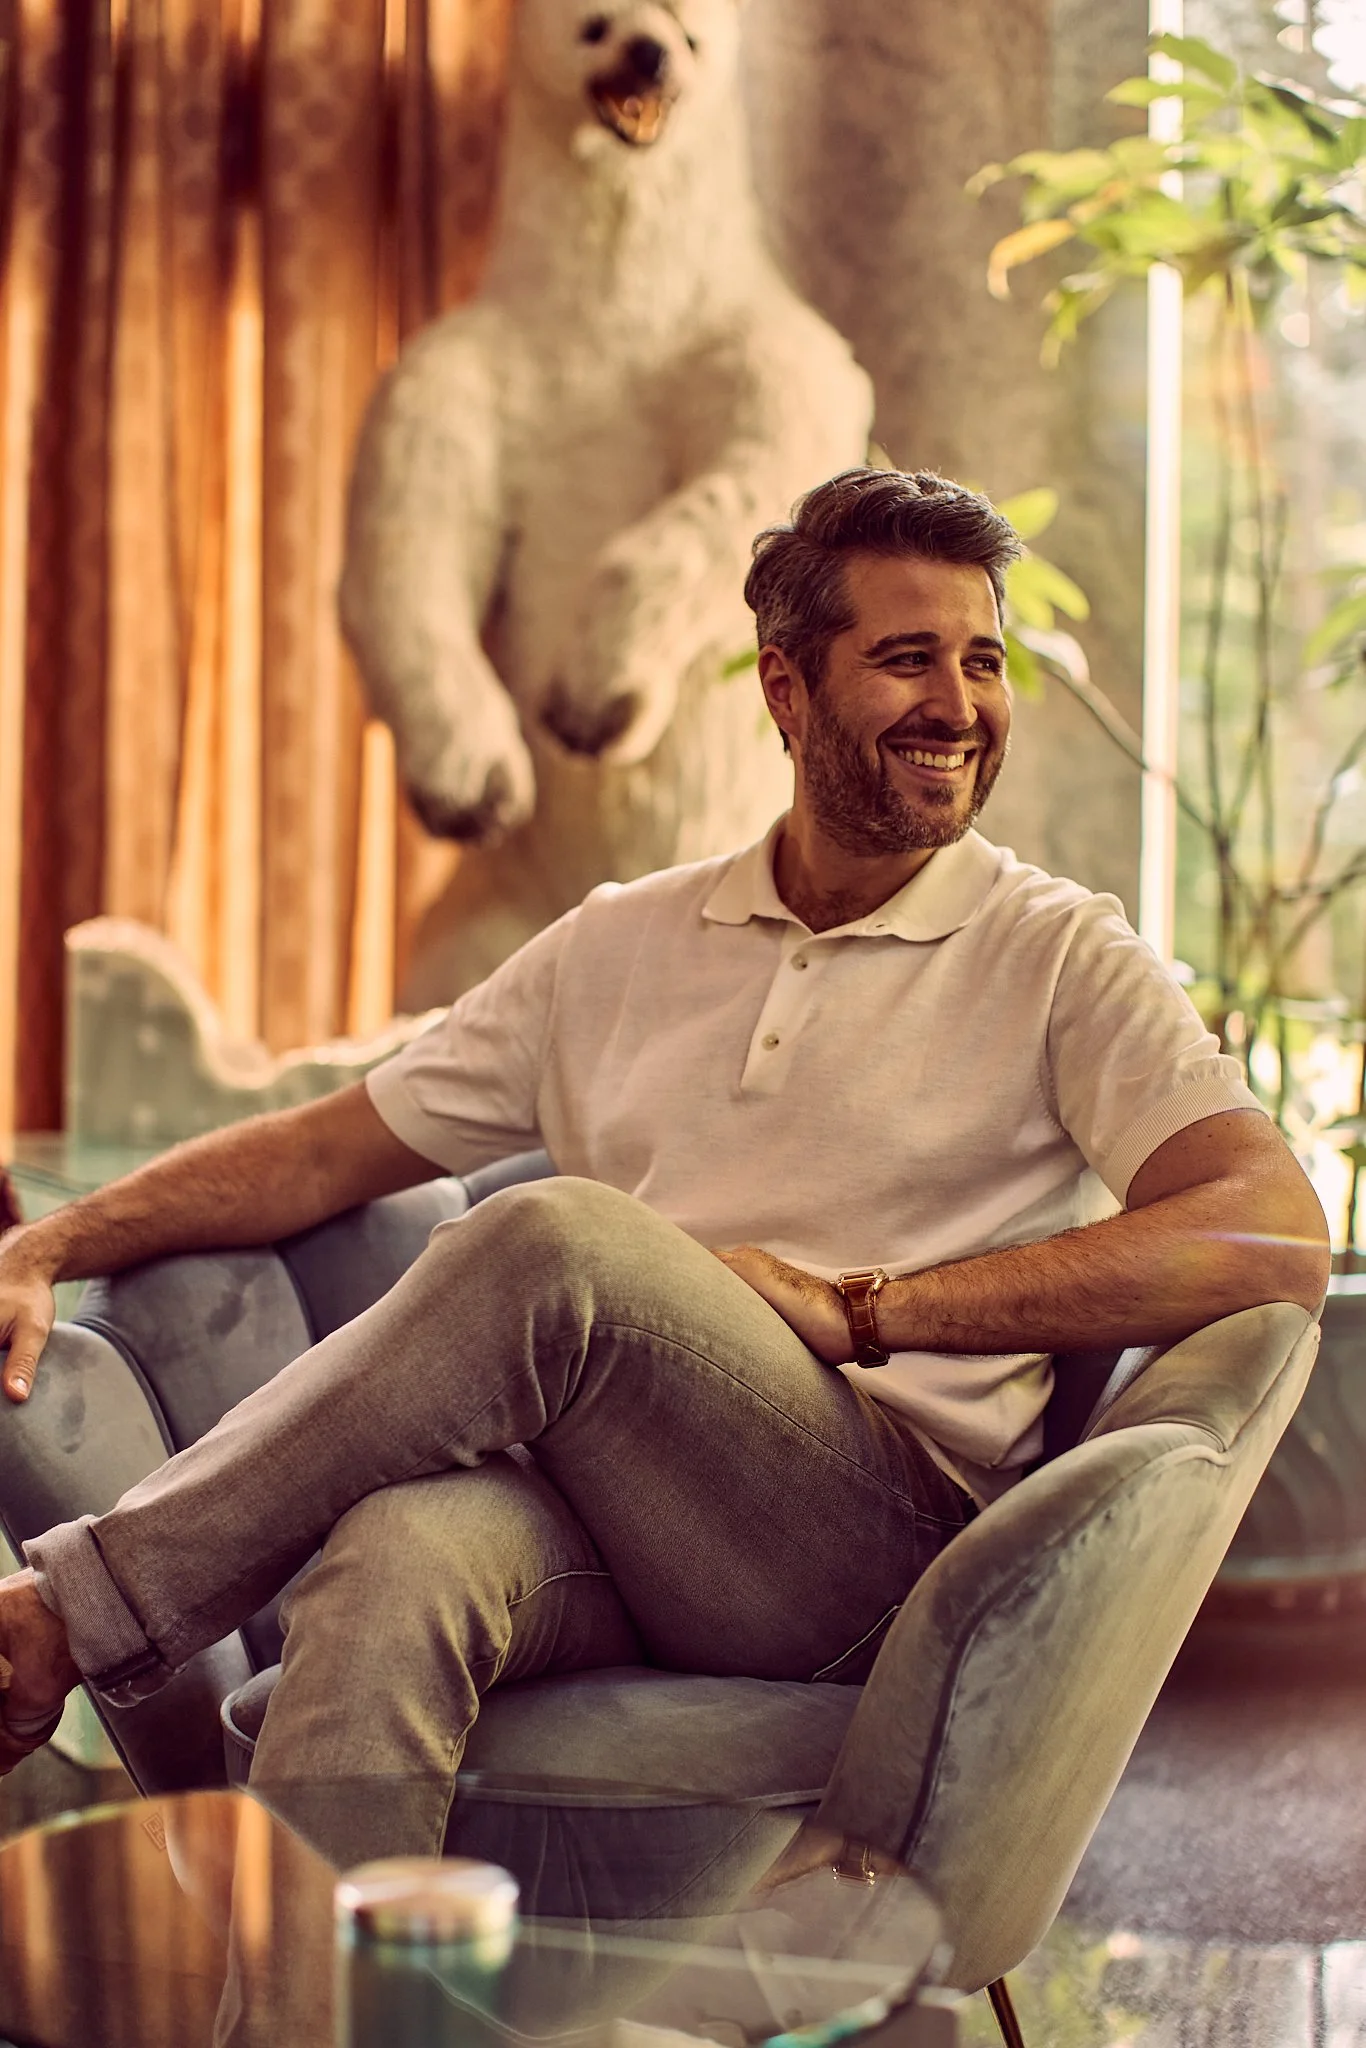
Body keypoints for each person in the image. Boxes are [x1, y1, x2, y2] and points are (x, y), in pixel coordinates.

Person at [0, 469, 1328, 1860]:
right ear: (786, 691)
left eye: (981, 661)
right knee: (396, 1554)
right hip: (608, 1522)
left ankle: (71, 1615)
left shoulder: (1060, 954)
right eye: (905, 658)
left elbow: (1274, 1232)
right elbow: (327, 1147)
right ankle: (312, 1976)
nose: (958, 704)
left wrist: (872, 1309)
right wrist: (50, 1243)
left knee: (552, 1243)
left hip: (873, 1549)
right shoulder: (619, 944)